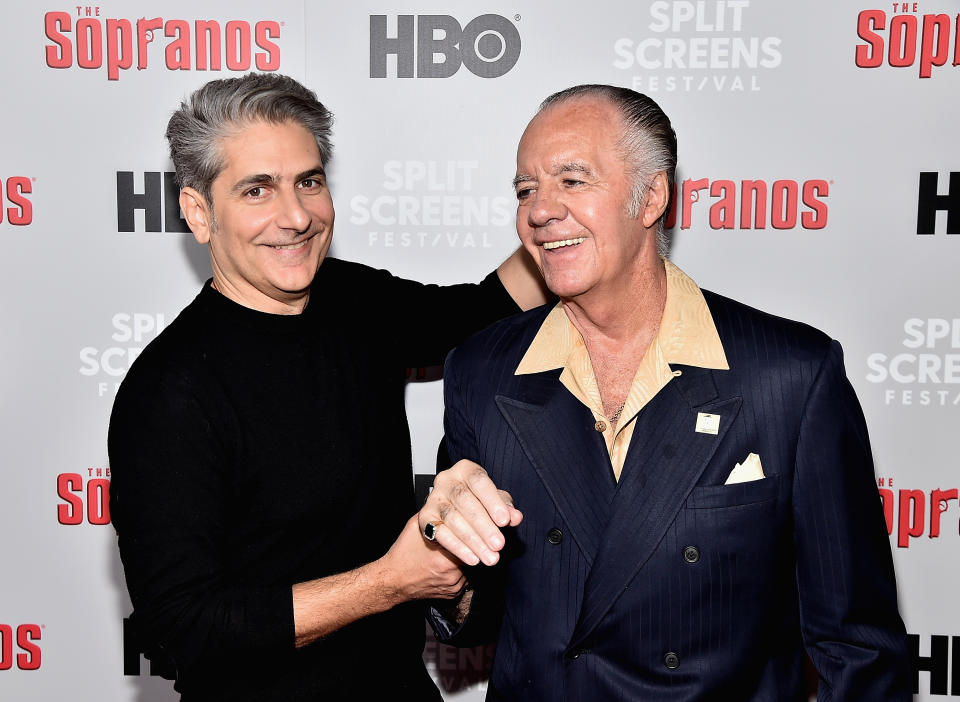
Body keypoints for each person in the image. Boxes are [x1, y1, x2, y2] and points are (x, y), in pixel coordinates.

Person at [420, 84, 911, 700]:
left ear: (651, 195)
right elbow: (477, 612)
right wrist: (451, 570)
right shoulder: (482, 371)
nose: (539, 211)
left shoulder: (789, 375)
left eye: (572, 182)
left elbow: (859, 652)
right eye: (525, 190)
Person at [107, 73, 546, 701]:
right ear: (199, 214)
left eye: (308, 181)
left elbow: (478, 313)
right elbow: (183, 627)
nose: (296, 216)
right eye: (257, 189)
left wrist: (554, 229)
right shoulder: (169, 392)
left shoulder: (351, 299)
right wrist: (393, 582)